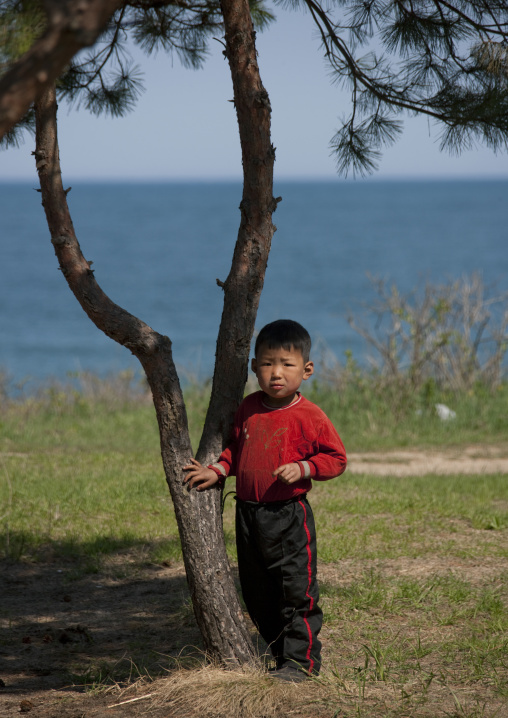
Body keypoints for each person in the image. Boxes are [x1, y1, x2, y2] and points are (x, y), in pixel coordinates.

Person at [183, 319, 347, 682]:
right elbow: (235, 448)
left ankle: (301, 663)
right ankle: (280, 656)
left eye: (287, 365)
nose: (276, 373)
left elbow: (337, 459)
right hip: (248, 514)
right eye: (267, 363)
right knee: (257, 592)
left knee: (296, 590)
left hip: (289, 516)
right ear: (254, 367)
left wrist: (304, 467)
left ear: (306, 370)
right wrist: (218, 470)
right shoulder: (248, 407)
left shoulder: (311, 416)